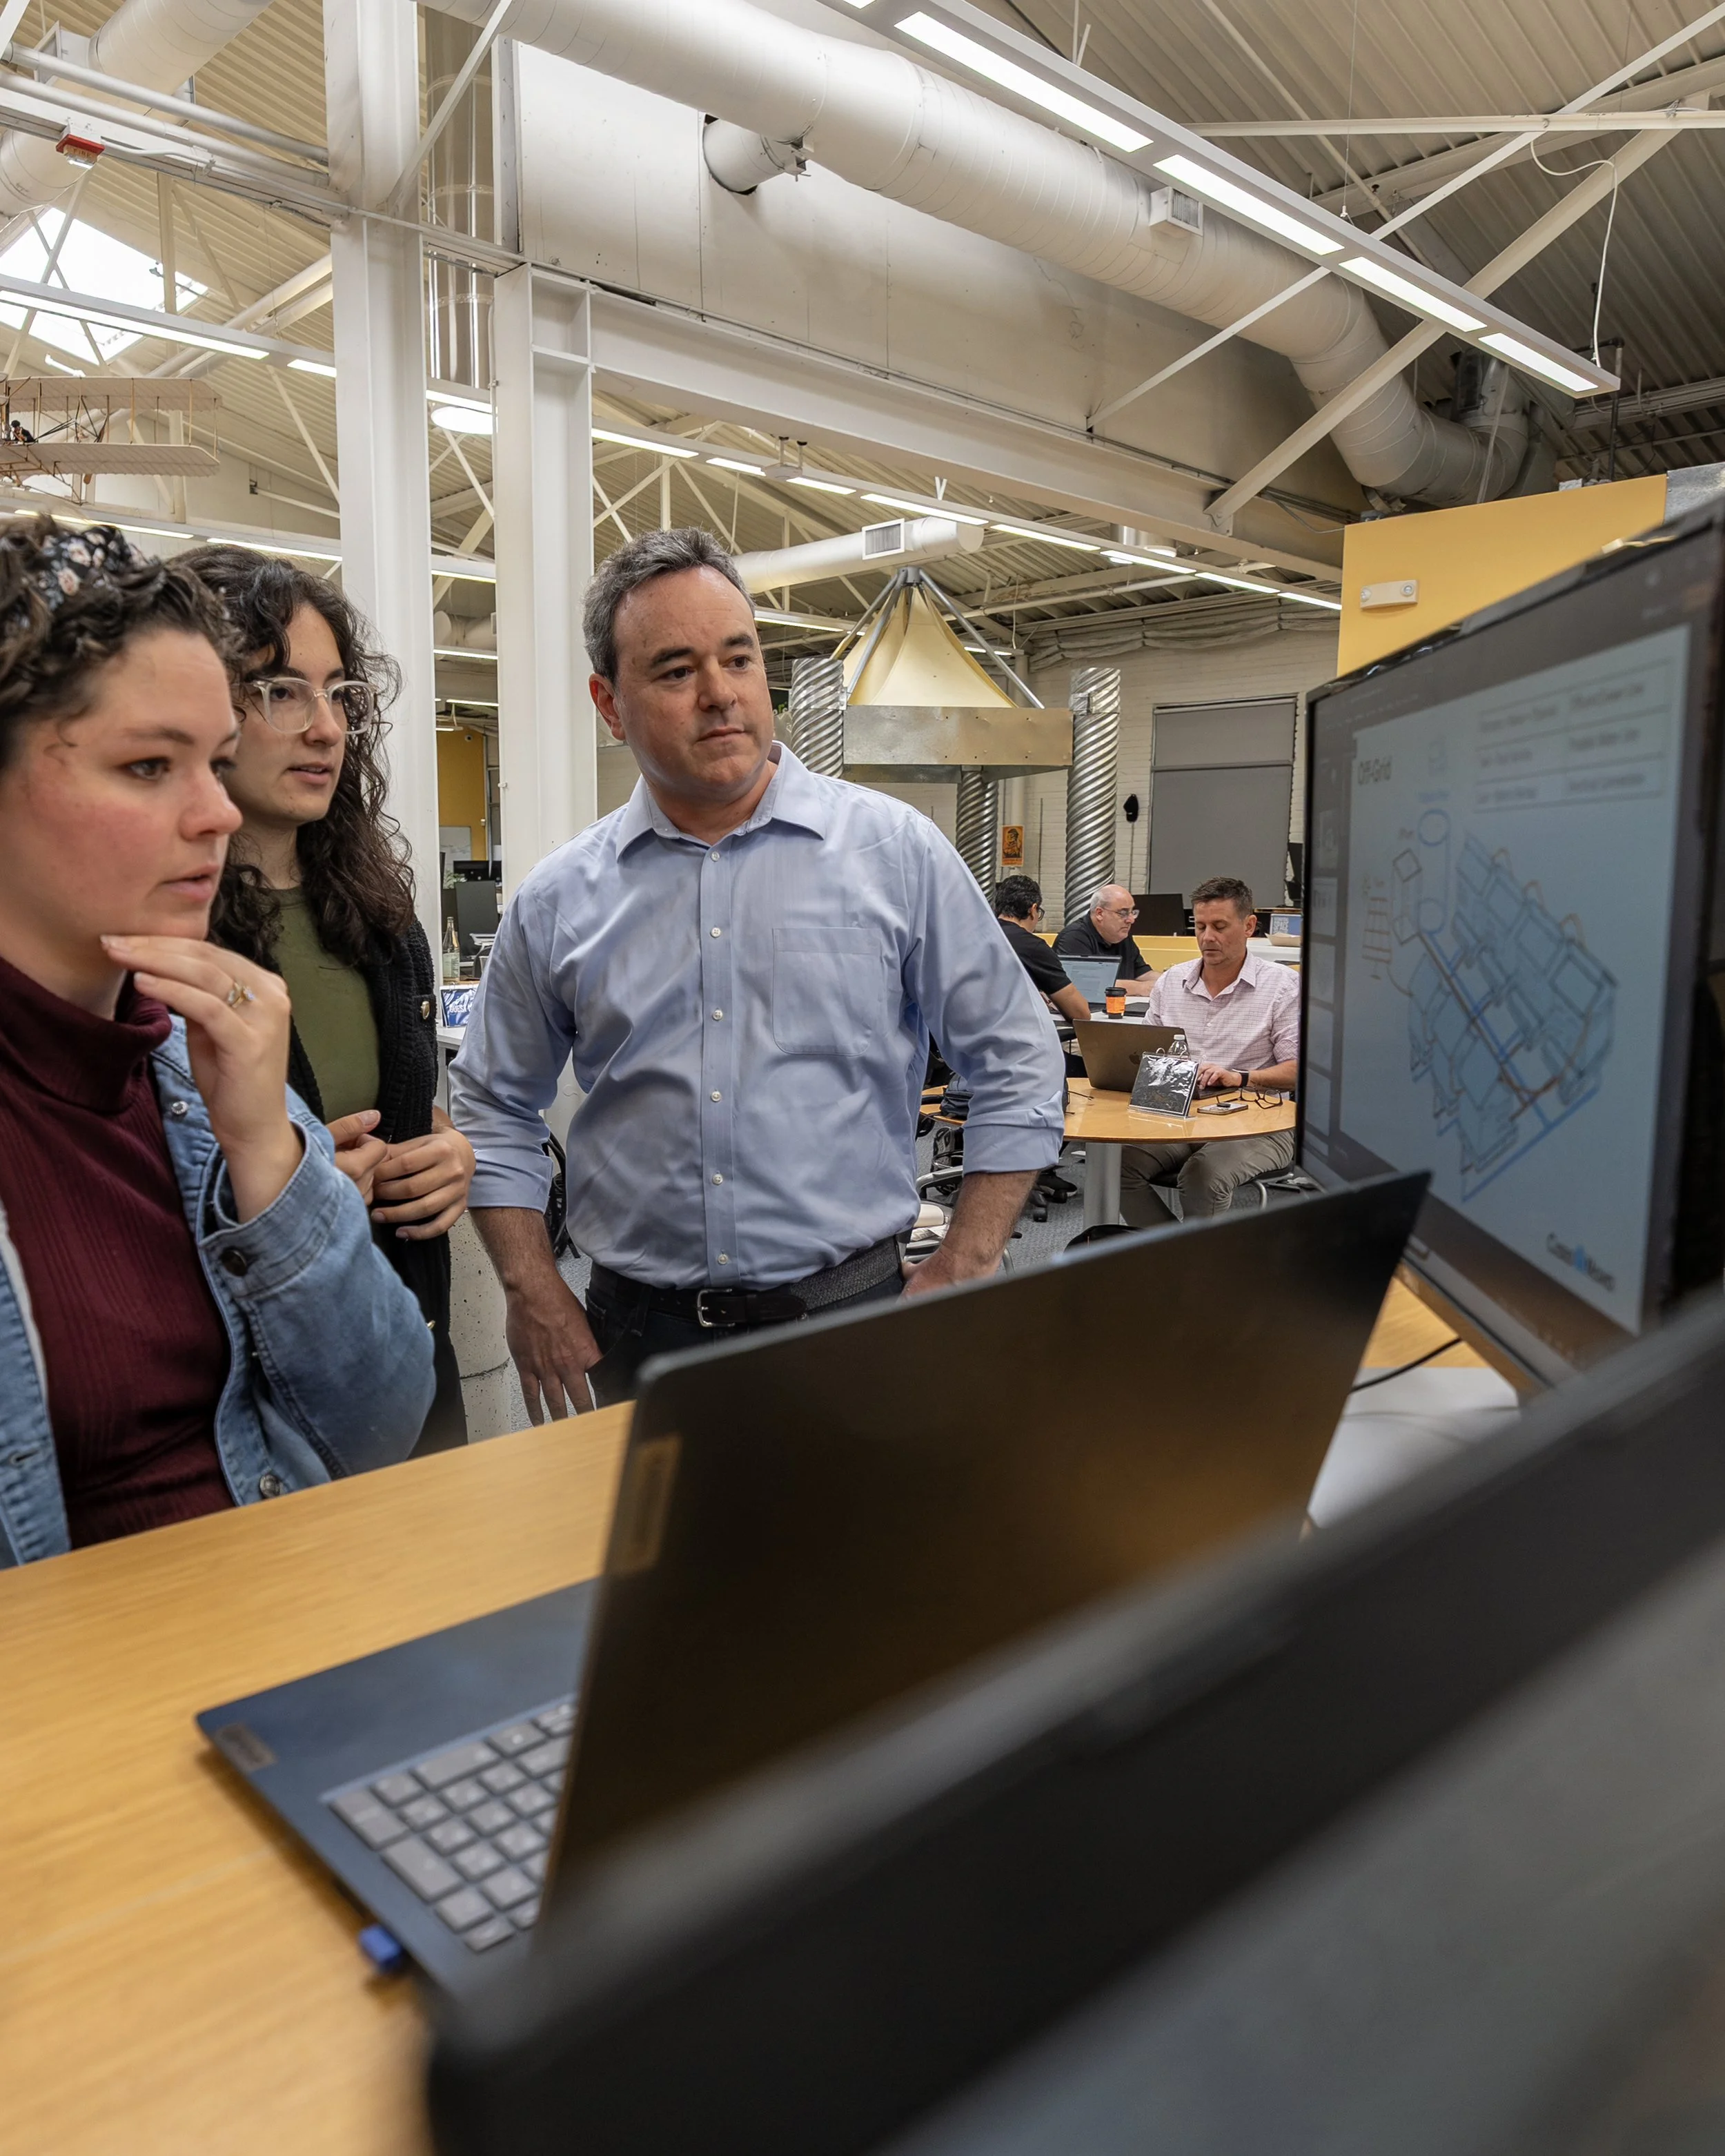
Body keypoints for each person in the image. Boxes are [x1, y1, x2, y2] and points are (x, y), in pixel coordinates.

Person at [451, 527, 1065, 1413]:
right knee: (645, 1558)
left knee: (857, 1555)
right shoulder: (558, 901)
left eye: (738, 658)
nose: (719, 695)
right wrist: (529, 1285)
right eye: (674, 670)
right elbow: (493, 1103)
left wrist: (966, 1259)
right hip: (637, 1338)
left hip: (852, 1320)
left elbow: (1017, 1059)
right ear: (609, 704)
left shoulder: (894, 855)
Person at [0, 516, 433, 1564]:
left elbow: (387, 1420)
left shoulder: (194, 1072)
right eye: (150, 766)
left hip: (283, 1656)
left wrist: (271, 1161)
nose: (216, 815)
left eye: (218, 764)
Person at [184, 546, 473, 1454]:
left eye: (338, 693)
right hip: (254, 1409)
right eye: (280, 692)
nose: (326, 728)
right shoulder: (166, 944)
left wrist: (448, 1150)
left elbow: (404, 1107)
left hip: (410, 1361)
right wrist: (289, 1206)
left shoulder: (383, 923)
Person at [1120, 874, 1299, 1224]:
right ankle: (1177, 1261)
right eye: (1200, 926)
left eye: (1219, 926)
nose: (1207, 937)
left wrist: (1240, 1077)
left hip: (1259, 1121)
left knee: (1203, 1177)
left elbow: (1298, 1072)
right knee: (1115, 1165)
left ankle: (1193, 1271)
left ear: (1249, 926)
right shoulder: (1173, 981)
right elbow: (1147, 1053)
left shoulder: (1282, 986)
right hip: (1180, 1114)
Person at [994, 874, 1090, 1027]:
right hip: (1013, 1042)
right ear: (1033, 910)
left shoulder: (974, 936)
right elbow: (1080, 1014)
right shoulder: (1032, 946)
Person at [1052, 883, 1153, 990]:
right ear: (1100, 913)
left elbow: (1142, 973)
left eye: (1132, 912)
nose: (1131, 920)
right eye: (1123, 913)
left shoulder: (1122, 936)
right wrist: (1140, 988)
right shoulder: (1073, 938)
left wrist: (1168, 980)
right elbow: (1086, 984)